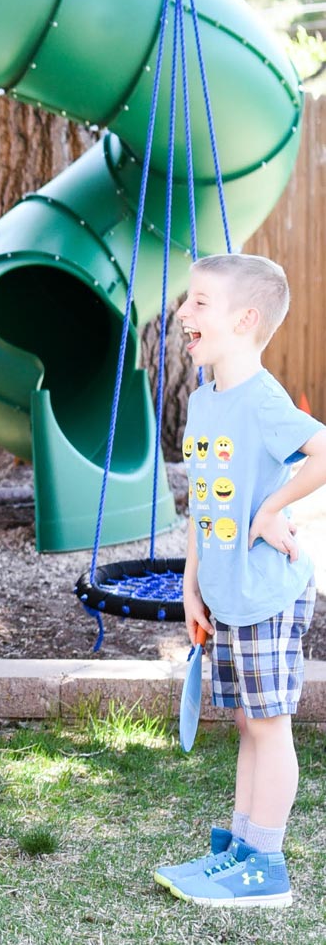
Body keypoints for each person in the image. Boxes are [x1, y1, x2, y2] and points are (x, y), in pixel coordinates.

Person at [156, 253, 326, 908]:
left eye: (199, 303)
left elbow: (321, 452)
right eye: (186, 302)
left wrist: (270, 509)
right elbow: (203, 501)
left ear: (245, 319)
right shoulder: (203, 401)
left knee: (268, 724)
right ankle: (243, 849)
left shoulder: (260, 400)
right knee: (250, 725)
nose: (182, 315)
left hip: (267, 595)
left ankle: (268, 866)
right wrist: (192, 585)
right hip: (227, 594)